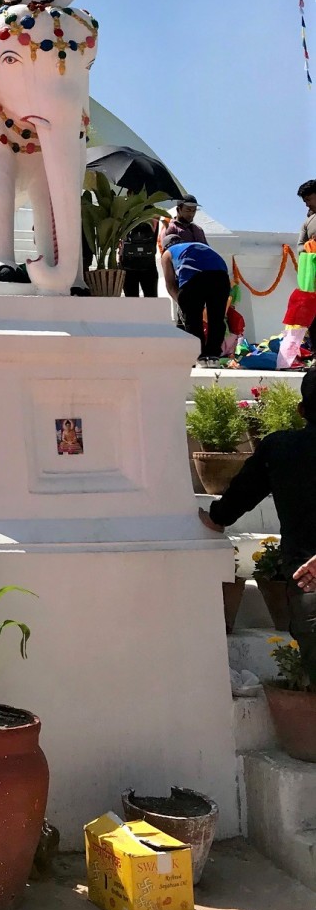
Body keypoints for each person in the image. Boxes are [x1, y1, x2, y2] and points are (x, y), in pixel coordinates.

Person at [200, 368, 316, 685]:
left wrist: (214, 519)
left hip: (308, 584)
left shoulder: (280, 449)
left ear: (301, 410)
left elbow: (236, 501)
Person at [161, 239, 231, 361]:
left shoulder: (167, 253)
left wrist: (182, 303)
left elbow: (170, 285)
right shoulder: (200, 245)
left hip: (194, 277)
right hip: (221, 277)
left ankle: (197, 355)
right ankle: (213, 355)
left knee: (192, 319)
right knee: (217, 318)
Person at [119, 218, 159, 298]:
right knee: (151, 298)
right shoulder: (152, 216)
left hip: (131, 264)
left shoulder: (126, 215)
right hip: (146, 263)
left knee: (133, 299)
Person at [297, 178, 316, 250]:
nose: (307, 205)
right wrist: (309, 247)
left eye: (308, 199)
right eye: (305, 201)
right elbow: (300, 246)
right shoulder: (307, 223)